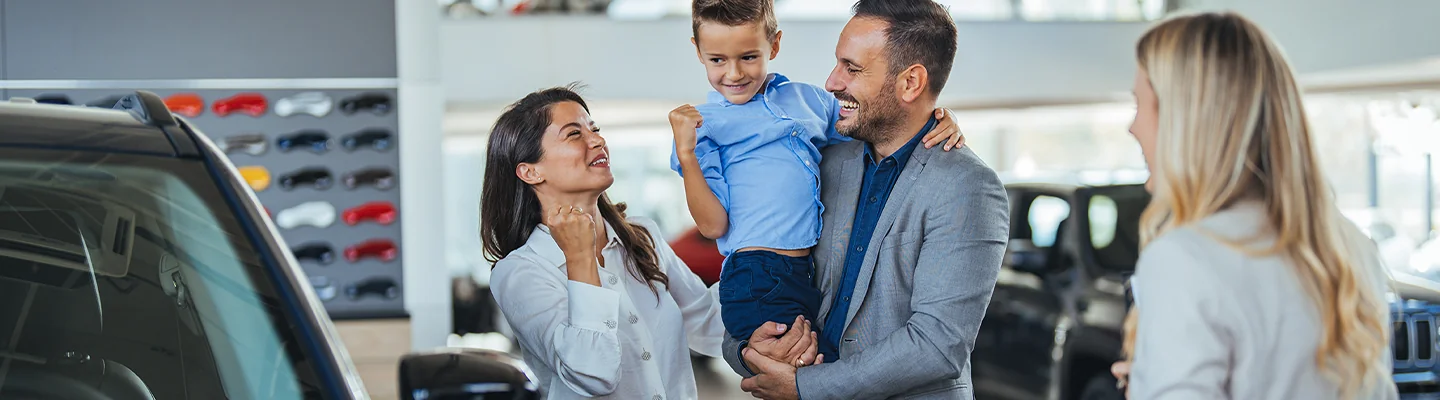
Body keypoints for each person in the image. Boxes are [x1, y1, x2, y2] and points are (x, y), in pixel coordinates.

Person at [721, 1, 1010, 398]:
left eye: (852, 69)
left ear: (911, 83)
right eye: (838, 64)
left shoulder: (968, 187)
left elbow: (937, 345)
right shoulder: (821, 164)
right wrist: (753, 346)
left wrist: (807, 387)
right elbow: (757, 273)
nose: (831, 82)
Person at [1112, 11, 1398, 399]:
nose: (1134, 127)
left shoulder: (1185, 258)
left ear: (1186, 120)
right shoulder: (1349, 249)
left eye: (1141, 105)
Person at [668, 0, 967, 367]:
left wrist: (936, 119)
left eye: (748, 57)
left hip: (804, 272)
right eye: (717, 60)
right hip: (755, 274)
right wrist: (686, 155)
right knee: (805, 368)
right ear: (697, 51)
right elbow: (713, 225)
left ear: (774, 45)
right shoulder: (704, 127)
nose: (733, 74)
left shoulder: (808, 100)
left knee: (816, 365)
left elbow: (873, 130)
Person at [479, 86, 819, 399]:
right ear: (530, 172)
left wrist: (760, 334)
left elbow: (707, 321)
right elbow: (592, 373)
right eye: (574, 134)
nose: (597, 141)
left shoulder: (643, 236)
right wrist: (580, 258)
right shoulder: (519, 273)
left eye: (594, 129)